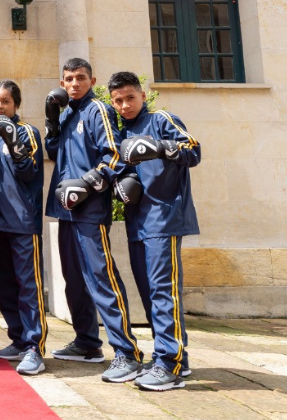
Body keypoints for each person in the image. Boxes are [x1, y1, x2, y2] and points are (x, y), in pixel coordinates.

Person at [44, 58, 143, 383]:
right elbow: (54, 151)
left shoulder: (97, 110)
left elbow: (115, 154)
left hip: (89, 211)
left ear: (92, 80)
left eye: (80, 78)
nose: (74, 83)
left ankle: (127, 353)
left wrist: (86, 183)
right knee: (74, 280)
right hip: (64, 210)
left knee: (101, 280)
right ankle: (87, 343)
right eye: (69, 78)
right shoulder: (68, 112)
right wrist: (52, 121)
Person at [108, 71, 200, 390]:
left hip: (164, 218)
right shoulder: (121, 130)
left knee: (163, 291)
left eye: (129, 98)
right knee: (149, 293)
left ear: (142, 96)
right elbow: (121, 172)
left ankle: (168, 365)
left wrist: (159, 147)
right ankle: (176, 359)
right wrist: (120, 185)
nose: (124, 105)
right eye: (117, 101)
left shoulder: (162, 119)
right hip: (137, 221)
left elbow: (193, 151)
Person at [0, 81, 49, 376]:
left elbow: (28, 172)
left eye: (5, 101)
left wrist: (13, 140)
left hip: (24, 222)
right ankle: (18, 340)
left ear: (16, 104)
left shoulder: (28, 132)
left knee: (29, 287)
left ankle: (34, 348)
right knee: (6, 285)